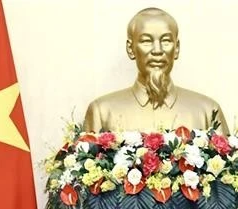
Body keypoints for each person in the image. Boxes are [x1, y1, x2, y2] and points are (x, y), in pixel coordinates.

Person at [84, 7, 229, 133]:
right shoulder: (102, 111)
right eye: (146, 41)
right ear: (131, 48)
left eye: (166, 41)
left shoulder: (207, 111)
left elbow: (234, 163)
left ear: (176, 48)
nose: (158, 50)